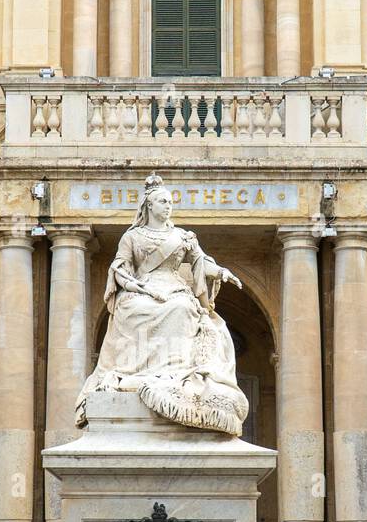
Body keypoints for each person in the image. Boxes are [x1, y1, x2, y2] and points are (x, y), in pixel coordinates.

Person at [75, 174, 249, 435]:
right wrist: (135, 286)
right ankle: (136, 373)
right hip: (143, 287)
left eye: (169, 202)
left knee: (180, 308)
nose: (167, 206)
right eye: (162, 202)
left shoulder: (183, 236)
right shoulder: (132, 237)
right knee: (131, 308)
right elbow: (121, 267)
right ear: (149, 206)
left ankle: (173, 373)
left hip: (174, 287)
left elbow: (200, 262)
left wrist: (221, 272)